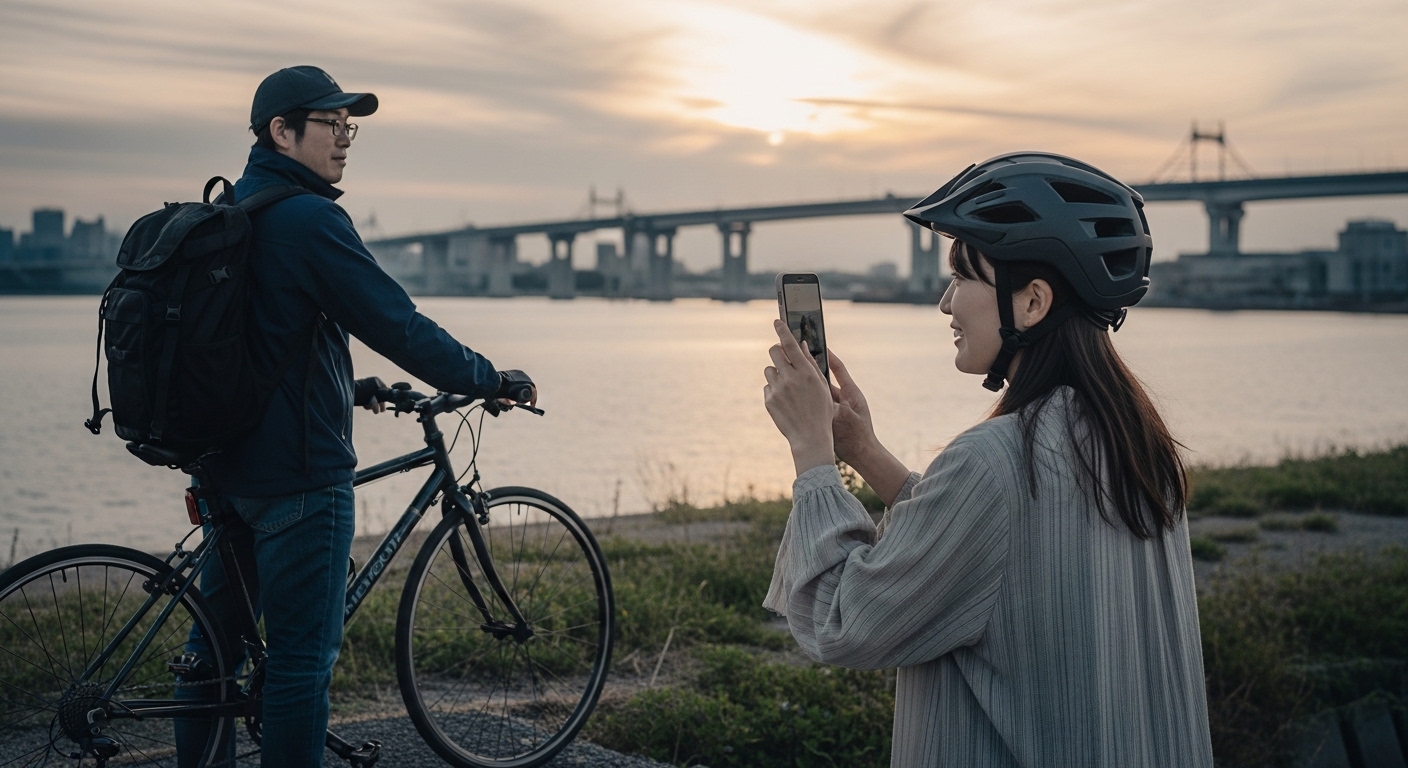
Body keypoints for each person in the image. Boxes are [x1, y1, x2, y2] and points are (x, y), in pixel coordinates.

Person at [760, 152, 1213, 767]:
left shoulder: (996, 460)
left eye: (963, 276)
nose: (946, 303)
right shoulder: (1135, 441)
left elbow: (843, 623)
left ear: (1033, 302)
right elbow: (996, 544)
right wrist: (862, 450)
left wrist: (811, 453)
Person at [176, 65, 535, 767]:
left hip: (223, 467)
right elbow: (397, 324)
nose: (345, 138)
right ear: (282, 132)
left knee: (211, 651)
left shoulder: (233, 210)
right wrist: (487, 378)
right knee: (299, 666)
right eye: (331, 124)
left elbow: (266, 338)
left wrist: (354, 383)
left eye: (350, 127)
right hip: (298, 476)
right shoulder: (311, 219)